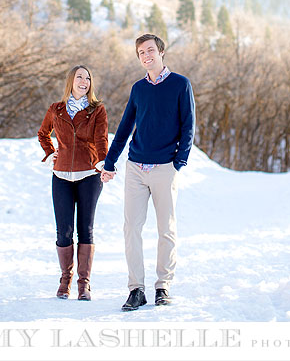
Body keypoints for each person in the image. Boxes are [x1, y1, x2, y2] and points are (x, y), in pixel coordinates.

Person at [101, 34, 195, 311]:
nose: (146, 55)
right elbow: (125, 127)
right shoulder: (138, 88)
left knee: (166, 229)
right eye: (141, 52)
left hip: (165, 167)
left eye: (151, 50)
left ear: (161, 52)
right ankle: (136, 289)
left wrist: (179, 162)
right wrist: (109, 162)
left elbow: (188, 126)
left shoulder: (181, 84)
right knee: (131, 228)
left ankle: (163, 286)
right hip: (136, 168)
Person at [37, 65, 108, 301]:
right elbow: (43, 133)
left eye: (88, 77)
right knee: (63, 231)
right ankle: (65, 279)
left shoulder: (97, 110)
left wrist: (103, 162)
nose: (85, 81)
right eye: (80, 77)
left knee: (85, 229)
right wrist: (50, 153)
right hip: (61, 177)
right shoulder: (56, 110)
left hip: (89, 175)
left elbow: (101, 139)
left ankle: (83, 283)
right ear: (71, 81)